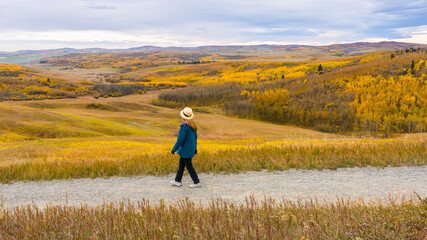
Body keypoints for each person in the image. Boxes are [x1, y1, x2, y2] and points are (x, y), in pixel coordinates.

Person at [170, 107, 201, 188]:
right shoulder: (193, 126)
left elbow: (180, 140)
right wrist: (195, 149)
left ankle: (196, 181)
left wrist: (174, 149)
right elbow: (195, 139)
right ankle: (177, 181)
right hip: (190, 149)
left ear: (183, 117)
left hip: (185, 150)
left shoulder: (184, 127)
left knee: (189, 166)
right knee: (181, 165)